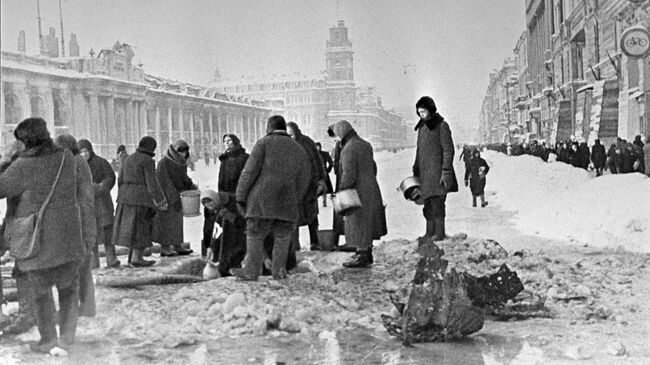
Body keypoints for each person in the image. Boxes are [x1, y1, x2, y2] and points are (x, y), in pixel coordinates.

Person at [0, 118, 94, 352]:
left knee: (41, 293)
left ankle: (48, 340)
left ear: (26, 141)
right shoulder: (66, 158)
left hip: (38, 240)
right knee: (68, 290)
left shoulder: (23, 165)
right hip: (69, 236)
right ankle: (67, 338)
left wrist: (7, 160)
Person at [232, 115, 310, 280]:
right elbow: (304, 178)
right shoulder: (298, 149)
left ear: (269, 127)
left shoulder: (264, 143)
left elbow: (249, 172)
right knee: (282, 238)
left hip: (261, 201)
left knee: (255, 235)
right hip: (287, 203)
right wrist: (296, 197)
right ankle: (279, 271)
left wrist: (240, 196)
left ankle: (251, 272)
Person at [331, 120, 387, 268]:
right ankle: (366, 252)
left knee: (358, 222)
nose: (336, 138)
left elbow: (349, 174)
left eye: (337, 135)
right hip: (371, 188)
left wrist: (342, 190)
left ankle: (361, 255)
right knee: (366, 221)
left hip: (357, 191)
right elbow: (373, 167)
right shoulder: (365, 144)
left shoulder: (348, 149)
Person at [54, 135, 98, 318]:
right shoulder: (79, 161)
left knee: (77, 267)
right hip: (83, 220)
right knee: (82, 267)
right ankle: (87, 307)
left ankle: (79, 308)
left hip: (79, 221)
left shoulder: (74, 163)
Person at [113, 136, 168, 267]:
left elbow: (120, 178)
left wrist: (123, 194)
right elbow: (152, 183)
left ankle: (132, 257)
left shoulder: (129, 158)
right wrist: (161, 200)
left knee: (131, 229)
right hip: (141, 199)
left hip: (125, 198)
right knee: (140, 228)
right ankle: (137, 258)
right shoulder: (148, 160)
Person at [411, 96, 459, 241]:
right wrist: (415, 168)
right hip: (425, 175)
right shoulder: (421, 127)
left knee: (438, 204)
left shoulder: (441, 125)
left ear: (431, 110)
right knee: (427, 205)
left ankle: (439, 233)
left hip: (438, 174)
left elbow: (448, 150)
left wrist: (446, 171)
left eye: (423, 111)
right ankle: (429, 232)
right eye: (419, 112)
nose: (421, 115)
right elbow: (419, 150)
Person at [202, 134, 248, 260]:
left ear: (235, 141)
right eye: (225, 141)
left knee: (235, 222)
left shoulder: (244, 157)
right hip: (226, 194)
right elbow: (221, 178)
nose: (227, 143)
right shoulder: (224, 158)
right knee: (222, 224)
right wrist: (220, 195)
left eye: (229, 140)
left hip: (238, 194)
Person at [286, 122, 327, 251]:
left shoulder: (307, 142)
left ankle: (315, 242)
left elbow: (317, 161)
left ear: (296, 131)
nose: (290, 136)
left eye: (291, 134)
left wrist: (319, 179)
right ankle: (295, 245)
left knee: (312, 216)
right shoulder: (285, 145)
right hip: (294, 186)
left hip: (309, 185)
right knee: (294, 216)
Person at [153, 140, 196, 257]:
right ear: (174, 151)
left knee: (177, 223)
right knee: (165, 223)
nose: (183, 153)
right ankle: (165, 247)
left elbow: (183, 178)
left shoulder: (181, 163)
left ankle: (177, 245)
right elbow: (164, 182)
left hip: (177, 196)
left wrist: (190, 185)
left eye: (185, 151)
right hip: (165, 198)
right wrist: (173, 198)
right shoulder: (164, 162)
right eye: (181, 151)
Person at [315, 142, 334, 208]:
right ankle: (317, 200)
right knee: (320, 188)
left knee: (325, 188)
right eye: (316, 146)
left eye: (318, 146)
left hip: (323, 174)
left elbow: (331, 163)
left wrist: (328, 170)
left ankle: (324, 201)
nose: (317, 148)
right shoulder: (313, 154)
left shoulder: (324, 154)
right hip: (316, 174)